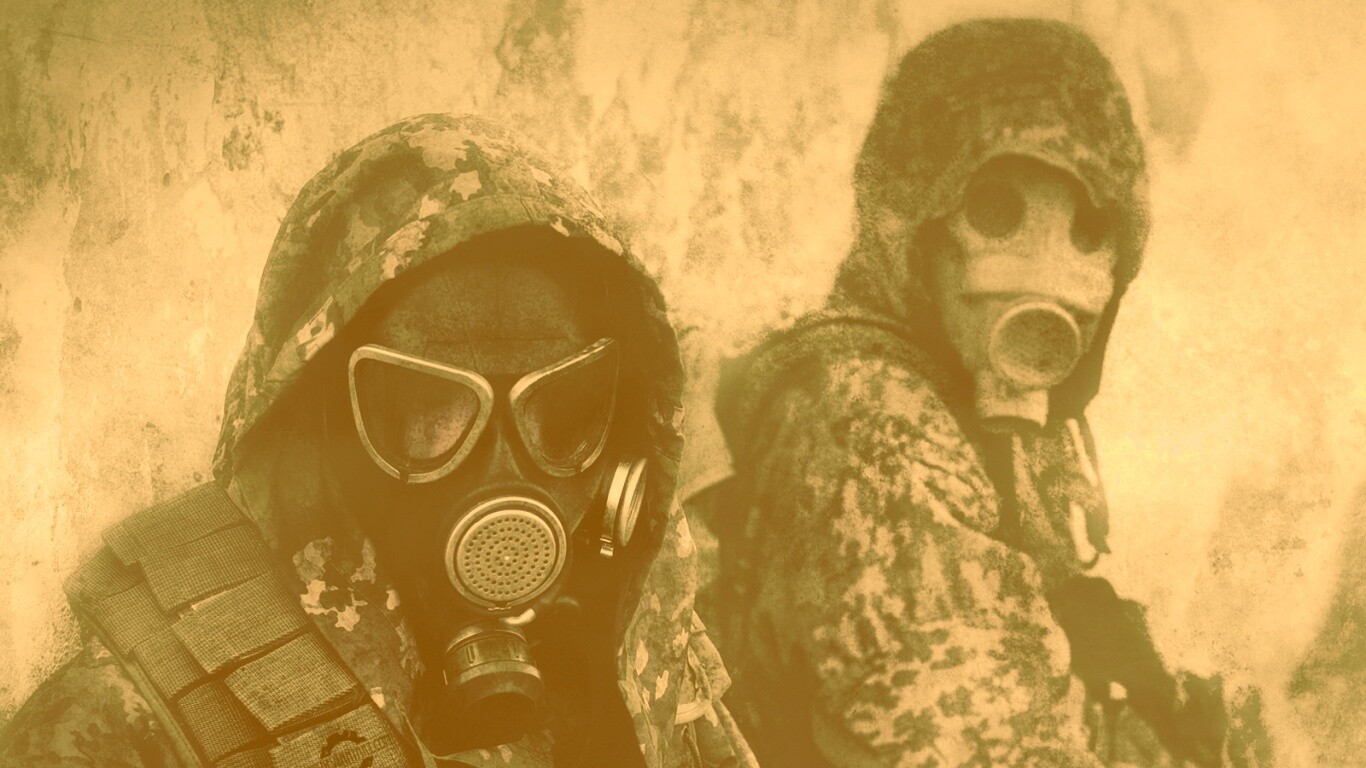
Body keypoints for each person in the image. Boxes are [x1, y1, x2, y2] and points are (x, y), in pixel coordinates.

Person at [0, 114, 756, 768]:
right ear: (319, 419)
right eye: (431, 406)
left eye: (560, 408)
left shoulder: (636, 661)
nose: (503, 475)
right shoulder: (133, 722)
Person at [705, 18, 1234, 768]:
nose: (1045, 268)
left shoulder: (972, 401)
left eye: (1089, 227)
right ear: (911, 220)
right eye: (995, 210)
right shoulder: (871, 423)